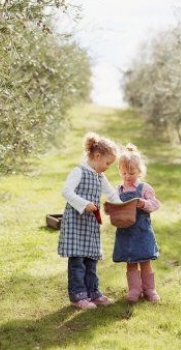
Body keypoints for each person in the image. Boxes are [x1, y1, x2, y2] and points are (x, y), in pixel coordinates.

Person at [58, 132, 122, 310]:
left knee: (91, 259)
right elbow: (66, 191)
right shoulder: (78, 171)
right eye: (108, 163)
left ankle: (93, 292)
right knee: (78, 260)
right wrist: (84, 203)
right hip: (75, 223)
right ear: (97, 156)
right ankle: (78, 296)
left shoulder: (100, 177)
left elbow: (111, 194)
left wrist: (124, 207)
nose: (108, 167)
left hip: (90, 224)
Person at [112, 143, 161, 303]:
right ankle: (135, 289)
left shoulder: (145, 188)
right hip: (125, 232)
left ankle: (150, 289)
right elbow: (114, 206)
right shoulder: (118, 189)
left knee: (145, 261)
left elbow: (156, 204)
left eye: (131, 172)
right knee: (131, 262)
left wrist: (144, 204)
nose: (127, 176)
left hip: (142, 232)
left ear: (139, 171)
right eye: (123, 172)